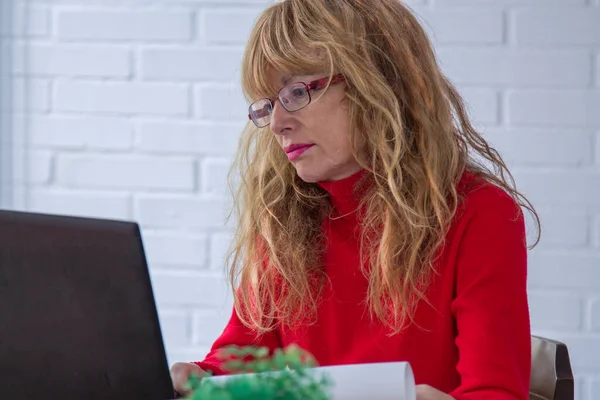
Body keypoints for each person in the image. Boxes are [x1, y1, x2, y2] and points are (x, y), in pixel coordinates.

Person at [170, 0, 540, 399]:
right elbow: (243, 357)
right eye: (269, 103)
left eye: (297, 91)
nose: (277, 123)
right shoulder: (285, 222)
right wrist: (200, 378)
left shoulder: (479, 213)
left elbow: (495, 392)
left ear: (378, 81)